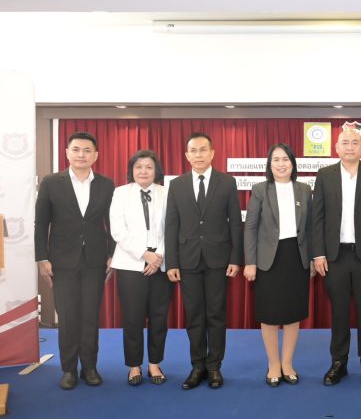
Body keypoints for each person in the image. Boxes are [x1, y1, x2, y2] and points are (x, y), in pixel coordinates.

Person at [34, 131, 115, 389]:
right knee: (68, 317)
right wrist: (41, 257)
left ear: (96, 155)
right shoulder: (51, 182)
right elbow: (41, 223)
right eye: (76, 149)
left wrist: (112, 253)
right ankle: (68, 369)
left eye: (87, 150)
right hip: (61, 261)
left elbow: (112, 222)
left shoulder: (106, 184)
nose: (81, 154)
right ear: (67, 153)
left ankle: (89, 367)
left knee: (90, 315)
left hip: (95, 260)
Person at [311, 128, 361, 387]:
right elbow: (317, 217)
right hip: (335, 256)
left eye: (355, 142)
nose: (349, 147)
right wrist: (319, 253)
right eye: (345, 142)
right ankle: (339, 362)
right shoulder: (325, 175)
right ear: (337, 147)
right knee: (339, 313)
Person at [165, 132, 243, 390]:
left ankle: (214, 366)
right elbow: (171, 225)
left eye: (202, 150)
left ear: (212, 153)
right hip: (187, 260)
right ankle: (197, 365)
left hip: (218, 259)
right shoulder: (177, 185)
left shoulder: (227, 182)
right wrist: (172, 262)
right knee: (194, 314)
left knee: (216, 314)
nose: (198, 155)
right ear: (187, 155)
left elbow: (235, 223)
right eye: (193, 150)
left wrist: (236, 258)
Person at [243, 143, 313, 387]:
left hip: (297, 257)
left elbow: (311, 228)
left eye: (285, 159)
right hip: (267, 259)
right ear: (269, 164)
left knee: (294, 313)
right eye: (276, 160)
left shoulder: (304, 190)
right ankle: (273, 364)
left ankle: (287, 363)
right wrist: (250, 262)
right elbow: (250, 227)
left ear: (292, 163)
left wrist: (312, 259)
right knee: (269, 314)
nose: (281, 164)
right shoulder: (260, 190)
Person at [109, 150, 173, 386]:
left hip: (161, 264)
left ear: (156, 171)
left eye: (149, 167)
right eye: (138, 167)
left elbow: (172, 227)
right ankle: (134, 365)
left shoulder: (167, 193)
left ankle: (154, 364)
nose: (143, 171)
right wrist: (144, 254)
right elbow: (118, 230)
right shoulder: (120, 193)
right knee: (132, 317)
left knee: (159, 317)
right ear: (131, 170)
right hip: (130, 263)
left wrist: (158, 257)